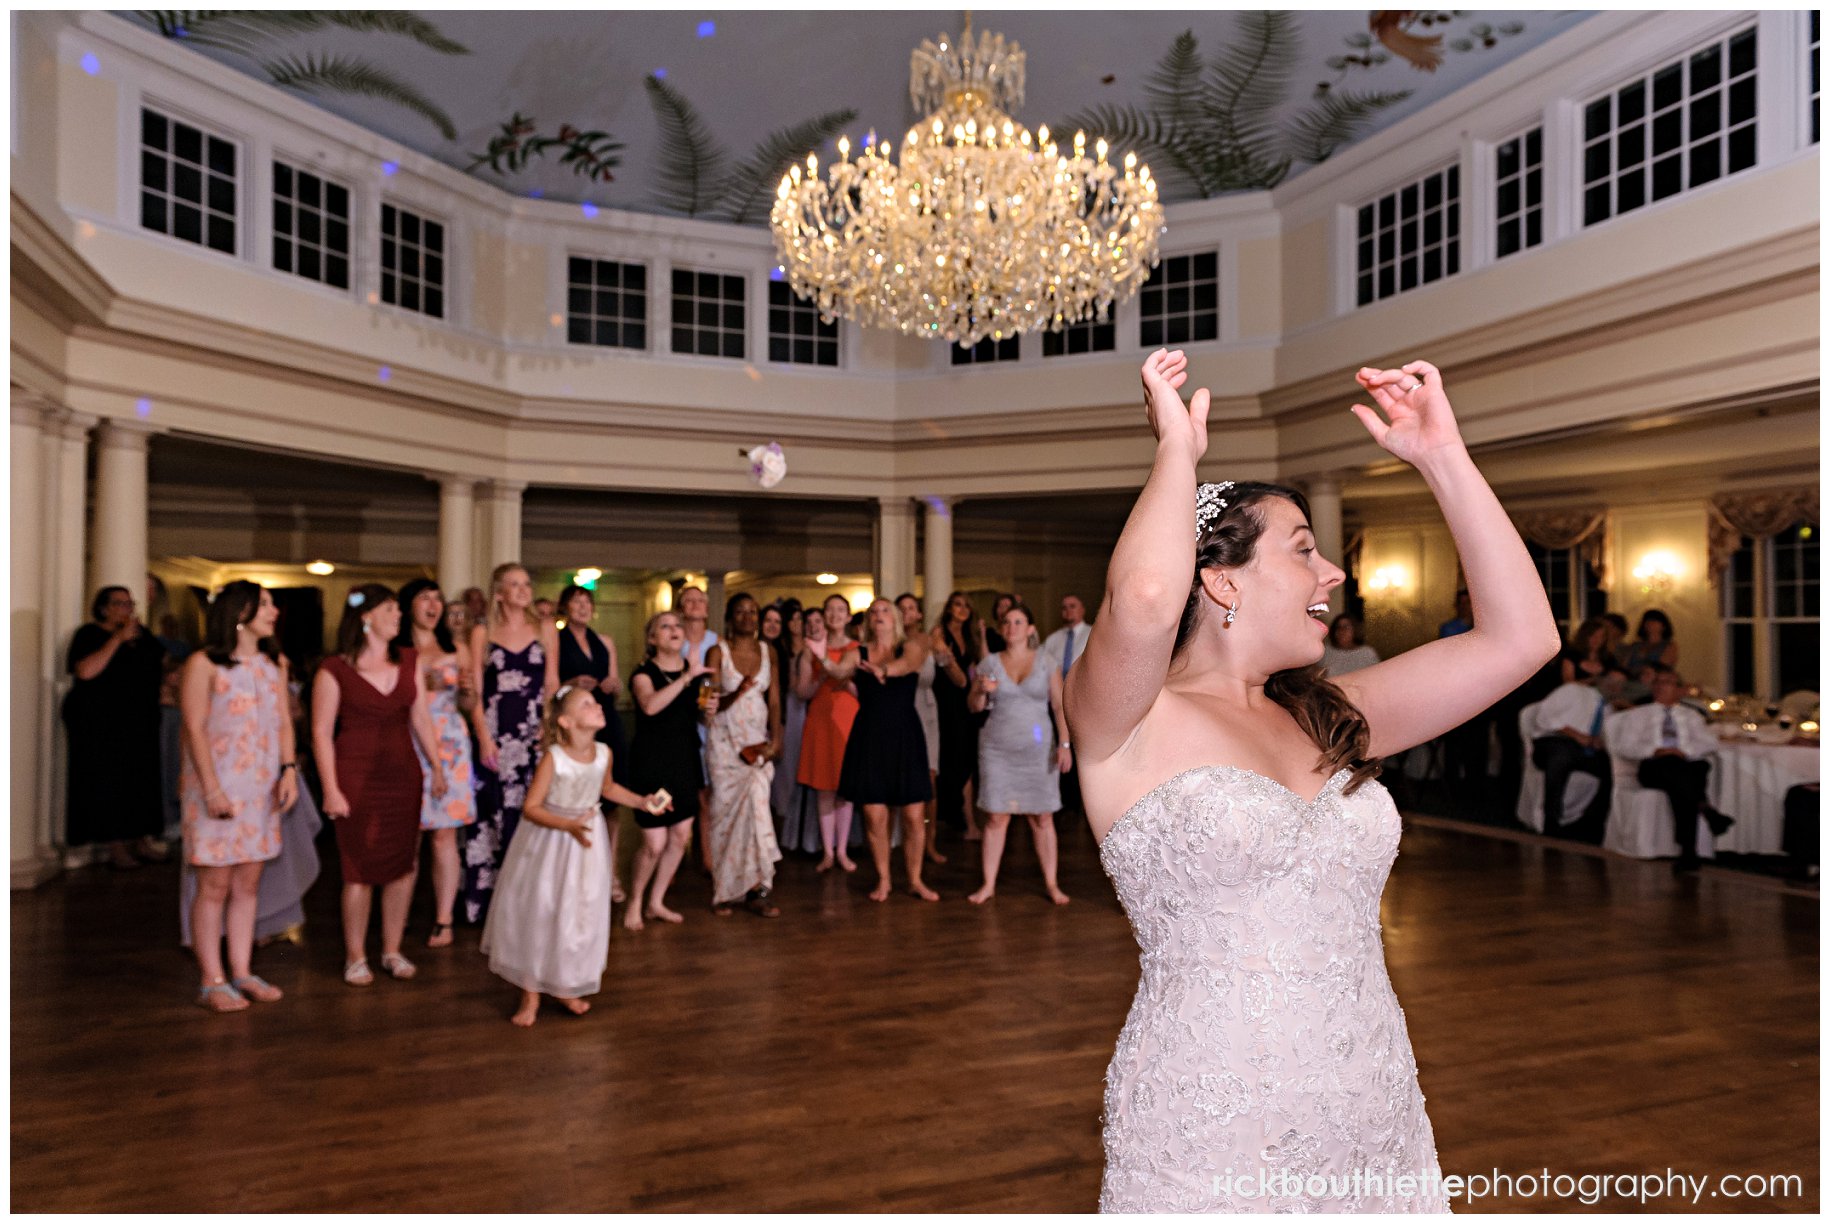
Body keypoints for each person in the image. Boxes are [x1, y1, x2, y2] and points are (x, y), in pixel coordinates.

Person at [1070, 350, 1559, 1211]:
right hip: (1210, 1121)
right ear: (1220, 578)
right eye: (1304, 550)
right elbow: (1146, 596)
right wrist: (1176, 453)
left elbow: (1523, 639)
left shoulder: (1328, 714)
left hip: (1371, 1097)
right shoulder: (1126, 720)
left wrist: (1444, 457)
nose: (1333, 573)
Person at [482, 684, 666, 1026]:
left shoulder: (604, 752)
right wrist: (566, 826)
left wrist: (642, 801)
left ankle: (565, 985)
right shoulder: (554, 758)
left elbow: (607, 788)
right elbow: (531, 808)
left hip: (586, 842)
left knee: (579, 911)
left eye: (596, 703)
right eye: (587, 704)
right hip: (551, 842)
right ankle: (530, 994)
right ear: (565, 721)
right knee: (543, 910)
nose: (597, 707)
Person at [313, 584, 448, 986]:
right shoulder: (334, 669)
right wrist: (330, 789)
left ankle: (391, 949)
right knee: (358, 868)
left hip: (404, 773)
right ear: (366, 616)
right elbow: (321, 733)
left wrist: (437, 767)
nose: (399, 616)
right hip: (355, 775)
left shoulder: (409, 659)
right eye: (391, 609)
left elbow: (421, 718)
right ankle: (355, 955)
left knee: (403, 865)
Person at [178, 582, 297, 1011]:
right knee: (214, 884)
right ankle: (211, 979)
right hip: (218, 789)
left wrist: (289, 770)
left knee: (248, 882)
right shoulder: (203, 664)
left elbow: (284, 722)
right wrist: (211, 788)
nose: (274, 612)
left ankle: (242, 970)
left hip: (261, 791)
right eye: (265, 604)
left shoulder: (273, 664)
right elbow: (193, 728)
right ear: (241, 612)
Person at [463, 563, 559, 925]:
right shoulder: (483, 632)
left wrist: (548, 729)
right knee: (492, 816)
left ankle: (529, 906)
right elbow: (475, 691)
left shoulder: (546, 628)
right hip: (496, 734)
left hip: (533, 734)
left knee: (532, 812)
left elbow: (552, 684)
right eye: (514, 585)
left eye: (526, 584)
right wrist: (484, 737)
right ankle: (490, 908)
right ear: (499, 593)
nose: (523, 590)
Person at [967, 602, 1072, 906]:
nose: (1011, 627)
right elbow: (972, 707)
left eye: (1018, 622)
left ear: (1030, 629)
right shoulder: (989, 663)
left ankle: (1052, 884)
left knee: (1042, 816)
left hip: (1038, 750)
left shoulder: (1046, 662)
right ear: (1001, 629)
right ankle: (988, 884)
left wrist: (1065, 745)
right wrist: (981, 691)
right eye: (1007, 623)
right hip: (997, 749)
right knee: (997, 817)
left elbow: (1058, 705)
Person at [834, 599, 937, 902]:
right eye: (873, 612)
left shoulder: (912, 645)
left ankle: (915, 879)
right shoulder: (857, 652)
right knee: (874, 814)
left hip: (905, 734)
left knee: (914, 815)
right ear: (868, 621)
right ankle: (884, 879)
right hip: (870, 735)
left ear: (895, 619)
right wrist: (825, 661)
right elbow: (839, 671)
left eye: (884, 611)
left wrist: (883, 670)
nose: (879, 616)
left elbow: (908, 665)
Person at [395, 578, 478, 949]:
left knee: (444, 835)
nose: (433, 605)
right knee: (407, 835)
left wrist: (468, 690)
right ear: (408, 606)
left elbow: (470, 704)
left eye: (437, 599)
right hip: (406, 741)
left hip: (451, 745)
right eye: (424, 598)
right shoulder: (394, 650)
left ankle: (443, 918)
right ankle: (401, 913)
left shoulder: (456, 648)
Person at [63, 586, 168, 868]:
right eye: (120, 604)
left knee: (141, 781)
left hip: (139, 720)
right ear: (104, 608)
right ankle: (115, 845)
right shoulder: (89, 635)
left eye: (129, 604)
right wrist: (117, 639)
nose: (126, 609)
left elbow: (161, 664)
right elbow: (85, 671)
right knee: (110, 782)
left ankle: (141, 839)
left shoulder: (141, 636)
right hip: (102, 724)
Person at [624, 611, 708, 929]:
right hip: (653, 765)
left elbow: (701, 717)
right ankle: (635, 900)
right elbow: (650, 705)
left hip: (685, 761)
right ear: (652, 639)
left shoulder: (694, 674)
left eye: (677, 626)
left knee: (680, 836)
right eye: (665, 626)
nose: (674, 630)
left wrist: (709, 710)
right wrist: (687, 679)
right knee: (654, 843)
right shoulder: (643, 673)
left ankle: (656, 901)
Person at [704, 594, 785, 917]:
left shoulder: (769, 652)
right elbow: (707, 704)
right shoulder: (718, 652)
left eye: (753, 612)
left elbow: (775, 700)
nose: (748, 617)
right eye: (741, 612)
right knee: (725, 815)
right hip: (724, 742)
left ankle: (758, 890)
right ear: (730, 617)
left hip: (756, 743)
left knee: (758, 814)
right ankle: (725, 891)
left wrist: (776, 740)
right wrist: (734, 692)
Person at [1609, 665, 1733, 873]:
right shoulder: (1638, 714)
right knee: (1688, 776)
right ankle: (1704, 811)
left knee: (1691, 773)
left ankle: (1688, 851)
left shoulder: (1691, 716)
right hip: (1654, 766)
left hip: (1684, 765)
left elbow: (1709, 743)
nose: (1661, 686)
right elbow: (1624, 746)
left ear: (1679, 689)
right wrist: (1656, 750)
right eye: (1658, 682)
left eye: (1667, 683)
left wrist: (1683, 750)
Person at [554, 583, 629, 902]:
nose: (583, 607)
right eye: (576, 602)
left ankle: (610, 873)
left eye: (587, 601)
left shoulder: (605, 641)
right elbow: (552, 690)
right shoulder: (556, 640)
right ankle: (574, 873)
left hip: (605, 720)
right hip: (574, 725)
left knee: (610, 801)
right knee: (575, 800)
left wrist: (614, 684)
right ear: (566, 608)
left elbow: (617, 684)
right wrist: (571, 685)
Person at [797, 593, 861, 872]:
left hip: (848, 717)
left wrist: (846, 684)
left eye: (840, 610)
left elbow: (865, 693)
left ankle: (844, 850)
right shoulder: (809, 650)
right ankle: (828, 852)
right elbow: (802, 691)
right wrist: (821, 676)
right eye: (830, 610)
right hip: (821, 718)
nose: (834, 615)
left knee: (844, 788)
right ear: (823, 615)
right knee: (824, 787)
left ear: (848, 616)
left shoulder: (857, 648)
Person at [1532, 667, 1625, 843]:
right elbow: (1543, 717)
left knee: (1611, 768)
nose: (1615, 686)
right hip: (1553, 741)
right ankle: (1551, 823)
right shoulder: (1573, 691)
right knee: (1561, 757)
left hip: (1583, 750)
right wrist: (1576, 735)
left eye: (1620, 684)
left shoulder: (1608, 709)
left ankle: (1590, 824)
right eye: (1612, 681)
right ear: (1601, 680)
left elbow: (1605, 737)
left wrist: (1600, 742)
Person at [929, 590, 983, 839]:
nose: (962, 609)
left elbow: (979, 668)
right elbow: (957, 676)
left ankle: (967, 823)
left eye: (966, 606)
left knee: (966, 762)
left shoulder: (969, 637)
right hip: (943, 702)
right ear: (949, 608)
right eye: (957, 604)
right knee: (947, 761)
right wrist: (962, 678)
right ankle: (944, 822)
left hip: (965, 706)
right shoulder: (939, 633)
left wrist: (982, 635)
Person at [897, 592, 946, 864]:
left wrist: (943, 650)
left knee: (929, 779)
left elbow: (954, 674)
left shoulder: (928, 642)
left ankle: (929, 841)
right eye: (901, 608)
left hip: (926, 710)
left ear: (918, 614)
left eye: (911, 608)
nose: (907, 613)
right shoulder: (891, 643)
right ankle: (900, 839)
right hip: (899, 710)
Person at [774, 605, 820, 852]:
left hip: (811, 709)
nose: (798, 624)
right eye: (791, 619)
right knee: (788, 770)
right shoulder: (782, 649)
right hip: (792, 709)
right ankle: (789, 829)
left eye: (800, 619)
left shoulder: (814, 648)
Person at [1559, 616, 1616, 686]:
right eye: (1593, 635)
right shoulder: (1571, 655)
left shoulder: (1609, 659)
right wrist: (1590, 681)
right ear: (1585, 636)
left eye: (1601, 636)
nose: (1596, 640)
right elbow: (1568, 683)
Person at [1320, 611, 1381, 676]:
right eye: (1338, 627)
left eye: (1346, 627)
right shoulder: (1325, 651)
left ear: (1355, 630)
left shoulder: (1368, 653)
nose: (1342, 631)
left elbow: (1377, 676)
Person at [1622, 609, 1679, 675]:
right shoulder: (1635, 645)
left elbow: (1662, 667)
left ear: (1664, 626)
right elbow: (1624, 666)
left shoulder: (1669, 646)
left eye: (1655, 620)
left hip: (1654, 680)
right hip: (1631, 679)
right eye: (1647, 620)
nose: (1650, 623)